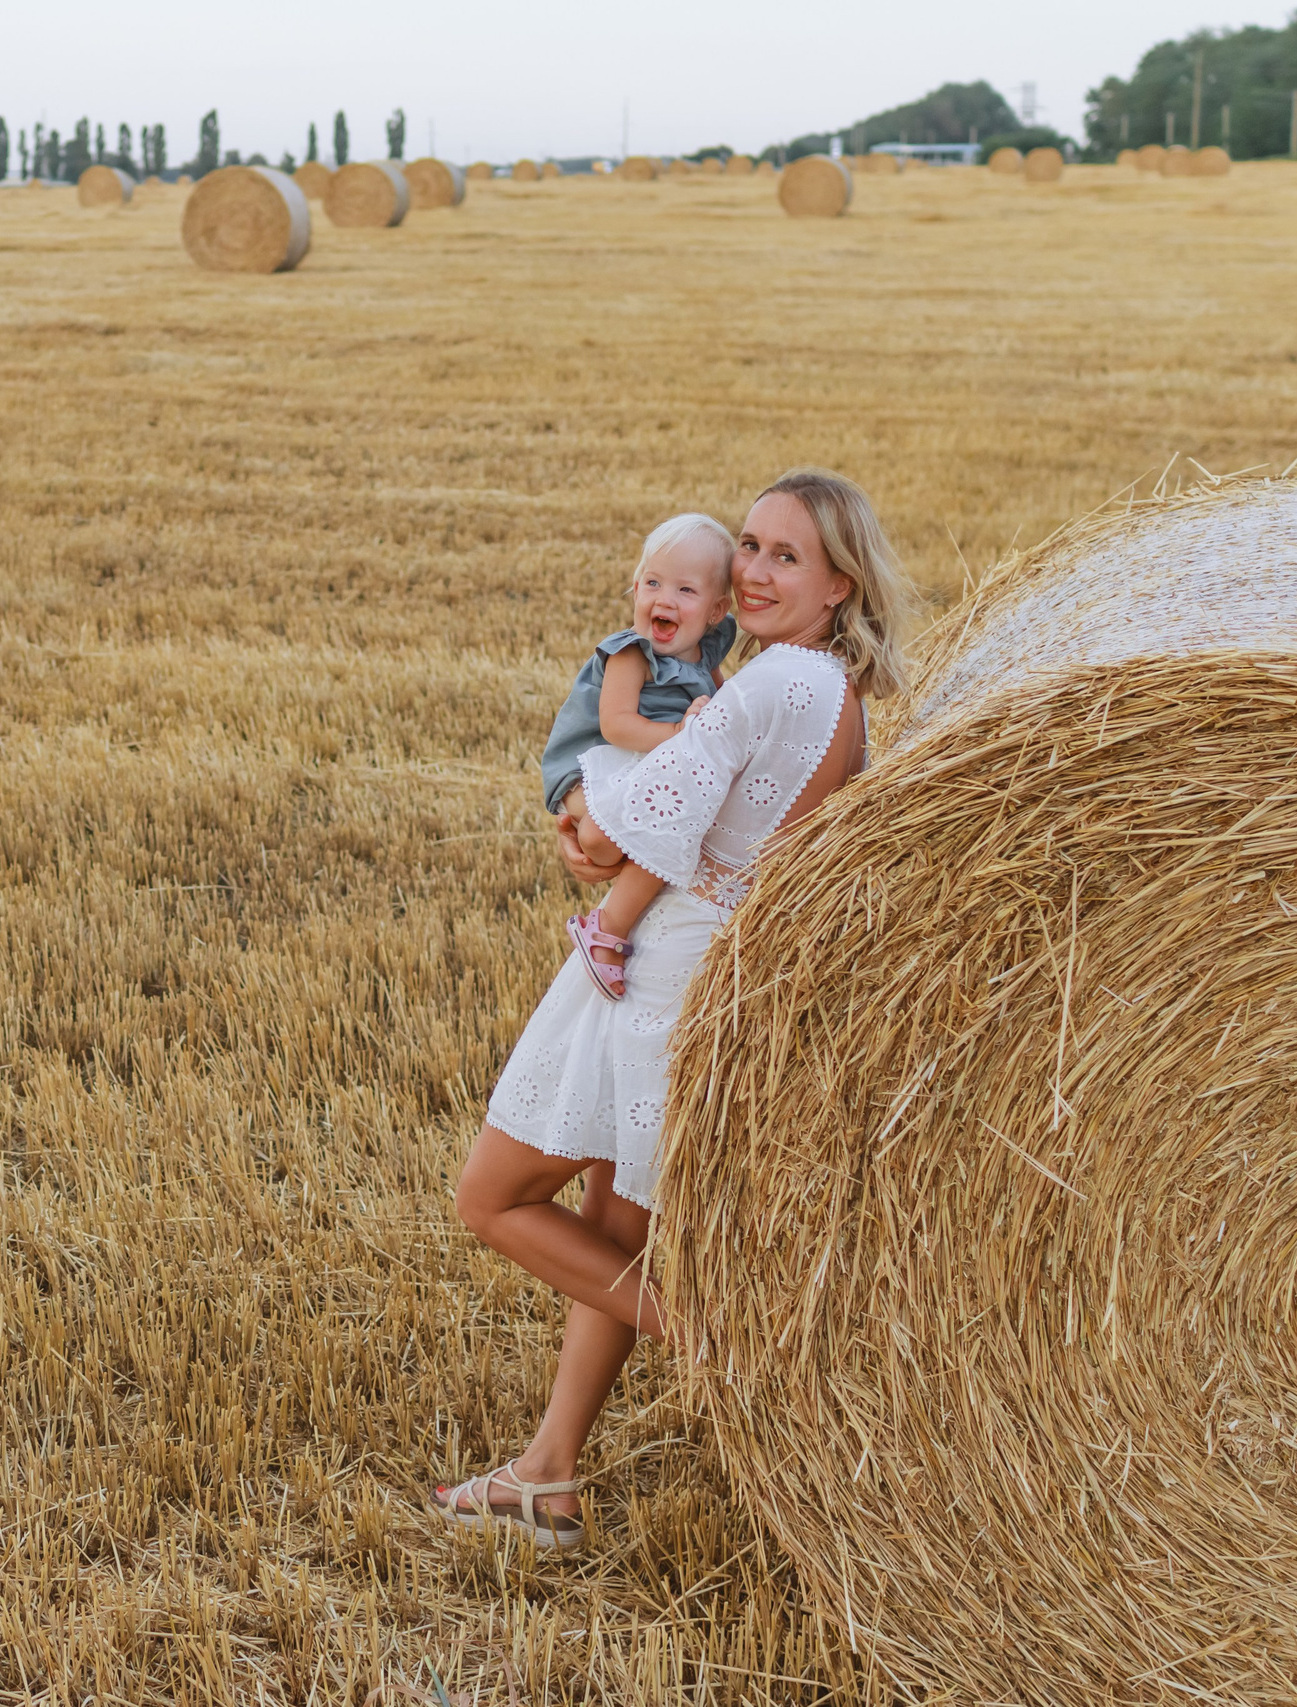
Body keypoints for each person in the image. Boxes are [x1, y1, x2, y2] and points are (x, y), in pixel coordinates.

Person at [430, 469, 916, 1551]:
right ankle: (547, 1475)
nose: (753, 571)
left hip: (654, 977)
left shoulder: (770, 685)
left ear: (839, 583)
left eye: (786, 556)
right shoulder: (839, 699)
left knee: (492, 1197)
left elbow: (628, 822)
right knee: (612, 1227)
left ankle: (726, 1349)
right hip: (709, 979)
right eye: (749, 545)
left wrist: (582, 824)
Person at [536, 514, 739, 1000]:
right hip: (590, 766)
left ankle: (608, 886)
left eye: (685, 590)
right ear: (635, 587)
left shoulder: (705, 653)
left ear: (716, 610)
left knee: (649, 830)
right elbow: (616, 725)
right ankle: (606, 929)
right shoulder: (631, 653)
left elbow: (726, 704)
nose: (664, 599)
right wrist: (681, 736)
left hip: (644, 765)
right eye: (652, 583)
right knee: (620, 837)